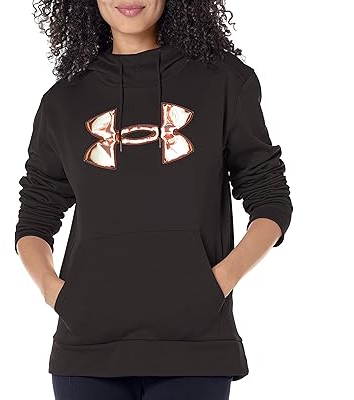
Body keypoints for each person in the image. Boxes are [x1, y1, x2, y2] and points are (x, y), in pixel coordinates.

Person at [14, 1, 293, 399]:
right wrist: (53, 291)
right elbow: (36, 214)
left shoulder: (223, 82)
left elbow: (270, 198)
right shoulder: (63, 101)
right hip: (87, 350)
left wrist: (216, 284)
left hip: (195, 346)